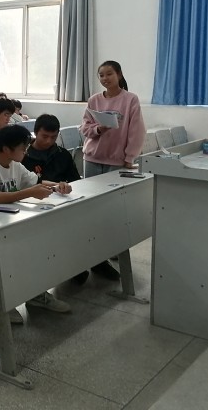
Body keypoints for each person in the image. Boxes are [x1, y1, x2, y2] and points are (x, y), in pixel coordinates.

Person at [0, 124, 73, 323]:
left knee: (42, 236)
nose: (26, 152)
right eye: (23, 148)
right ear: (7, 149)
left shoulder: (13, 162)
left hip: (6, 222)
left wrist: (58, 186)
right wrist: (28, 193)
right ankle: (0, 301)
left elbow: (36, 182)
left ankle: (35, 294)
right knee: (21, 245)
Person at [80, 60, 146, 281]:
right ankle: (95, 253)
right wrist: (99, 128)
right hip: (92, 158)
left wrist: (129, 157)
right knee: (92, 208)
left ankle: (114, 249)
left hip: (117, 162)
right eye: (101, 75)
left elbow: (136, 131)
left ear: (119, 74)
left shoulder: (130, 100)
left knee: (114, 209)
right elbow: (84, 127)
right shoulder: (94, 100)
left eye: (109, 74)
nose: (105, 78)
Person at [21, 114, 105, 283]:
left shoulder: (62, 154)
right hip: (36, 206)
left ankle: (98, 261)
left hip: (64, 201)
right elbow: (24, 186)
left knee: (94, 218)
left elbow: (76, 181)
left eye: (53, 137)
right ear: (35, 133)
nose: (49, 141)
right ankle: (73, 267)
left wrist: (68, 187)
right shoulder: (23, 157)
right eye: (45, 136)